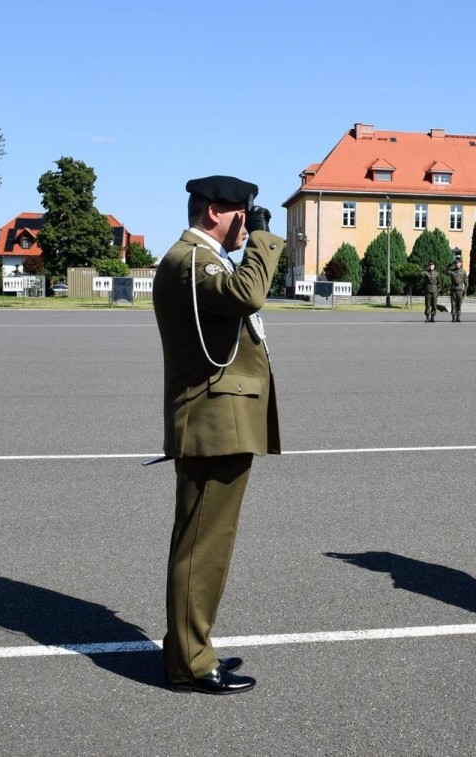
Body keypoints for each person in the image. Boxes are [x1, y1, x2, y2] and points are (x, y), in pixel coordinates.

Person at [151, 175, 282, 695]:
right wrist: (265, 241)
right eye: (241, 215)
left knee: (209, 542)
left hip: (221, 420)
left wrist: (251, 243)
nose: (246, 224)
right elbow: (248, 295)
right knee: (202, 545)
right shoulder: (192, 261)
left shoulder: (203, 261)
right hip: (211, 424)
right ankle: (188, 661)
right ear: (212, 212)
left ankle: (192, 644)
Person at [446, 255, 468, 322]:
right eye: (456, 263)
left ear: (461, 263)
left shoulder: (463, 272)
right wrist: (452, 263)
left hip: (460, 291)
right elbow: (446, 270)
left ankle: (458, 317)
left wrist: (465, 290)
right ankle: (453, 317)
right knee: (453, 304)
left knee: (459, 304)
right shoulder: (452, 271)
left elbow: (466, 281)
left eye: (458, 263)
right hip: (453, 291)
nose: (457, 264)